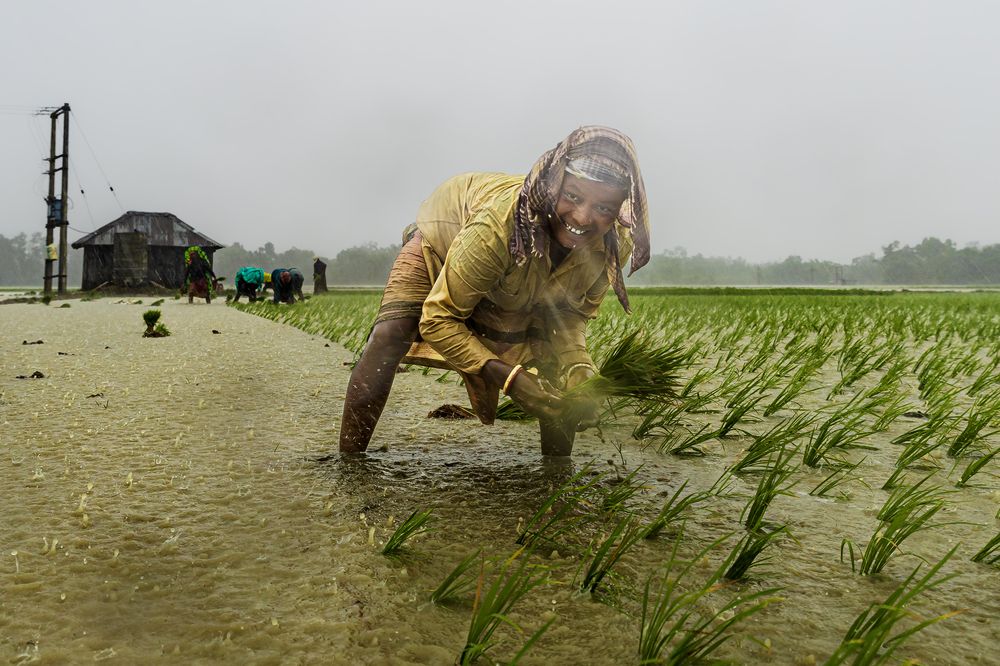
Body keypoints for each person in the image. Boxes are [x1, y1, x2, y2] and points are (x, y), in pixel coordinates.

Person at [339, 126, 649, 456]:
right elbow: (438, 318)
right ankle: (349, 463)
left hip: (519, 282)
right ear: (552, 184)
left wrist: (580, 370)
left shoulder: (615, 242)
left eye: (604, 208)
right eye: (572, 196)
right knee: (391, 334)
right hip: (447, 239)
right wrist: (511, 379)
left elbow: (569, 319)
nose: (583, 217)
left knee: (556, 360)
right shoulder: (501, 224)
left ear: (619, 208)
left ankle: (556, 474)